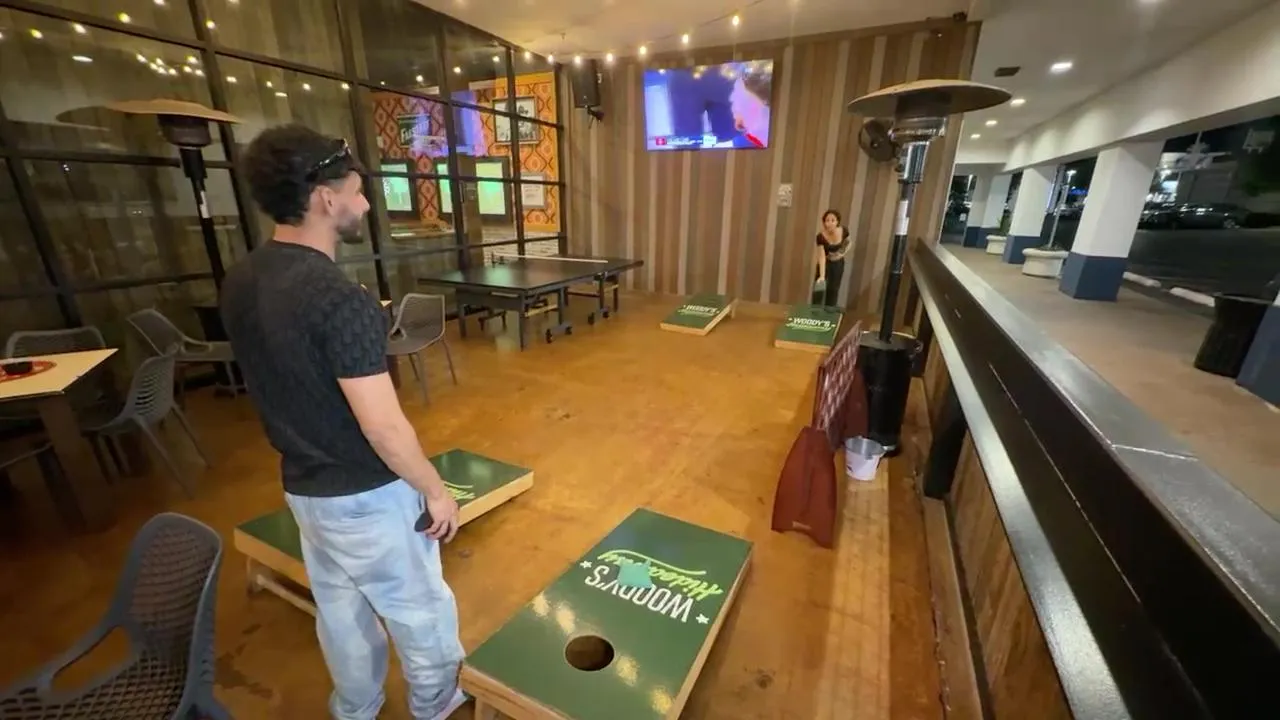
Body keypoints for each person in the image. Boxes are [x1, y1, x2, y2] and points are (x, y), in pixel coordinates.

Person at [220, 124, 467, 720]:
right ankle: (436, 705)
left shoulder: (242, 279)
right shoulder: (340, 298)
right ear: (325, 199)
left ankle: (355, 706)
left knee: (340, 611)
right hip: (366, 495)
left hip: (305, 490)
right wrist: (435, 490)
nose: (365, 204)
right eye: (357, 192)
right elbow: (384, 428)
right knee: (420, 609)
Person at [814, 209, 851, 307]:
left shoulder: (843, 231)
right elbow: (822, 257)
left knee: (833, 289)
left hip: (838, 264)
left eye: (833, 220)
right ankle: (815, 311)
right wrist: (822, 276)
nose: (830, 223)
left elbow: (848, 243)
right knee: (819, 288)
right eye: (827, 220)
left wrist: (840, 254)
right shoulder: (820, 237)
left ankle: (829, 310)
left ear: (837, 222)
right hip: (825, 262)